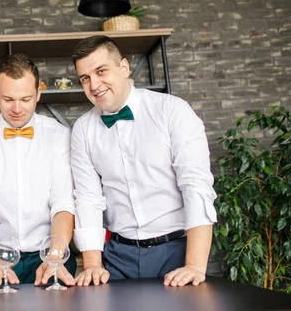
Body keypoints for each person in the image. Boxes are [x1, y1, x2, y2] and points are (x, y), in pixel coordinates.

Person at [70, 35, 217, 288]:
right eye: (85, 78)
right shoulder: (83, 129)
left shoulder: (172, 110)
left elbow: (196, 186)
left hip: (177, 251)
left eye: (101, 71)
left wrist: (194, 264)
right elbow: (88, 199)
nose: (94, 85)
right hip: (117, 255)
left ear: (124, 67)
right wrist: (93, 264)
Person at [0, 54, 77, 290]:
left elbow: (63, 203)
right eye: (9, 99)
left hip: (48, 255)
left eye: (26, 99)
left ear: (39, 94)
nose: (17, 109)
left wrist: (55, 255)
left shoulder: (60, 137)